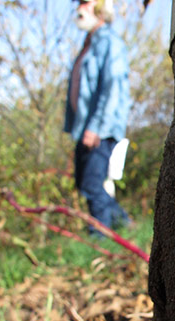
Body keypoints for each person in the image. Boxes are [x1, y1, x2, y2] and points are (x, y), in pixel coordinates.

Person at [64, 0, 132, 235]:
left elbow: (112, 89)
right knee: (84, 183)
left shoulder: (109, 43)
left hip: (100, 130)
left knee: (92, 184)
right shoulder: (89, 43)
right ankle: (124, 225)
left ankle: (100, 238)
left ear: (102, 8)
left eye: (86, 2)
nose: (80, 8)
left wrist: (96, 127)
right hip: (84, 128)